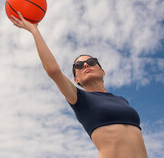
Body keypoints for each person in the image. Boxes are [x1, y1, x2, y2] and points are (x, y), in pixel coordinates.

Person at [10, 12, 148, 158]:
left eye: (91, 62)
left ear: (102, 71)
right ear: (76, 80)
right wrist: (34, 31)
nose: (86, 65)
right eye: (79, 65)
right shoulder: (80, 99)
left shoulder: (122, 100)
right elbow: (53, 71)